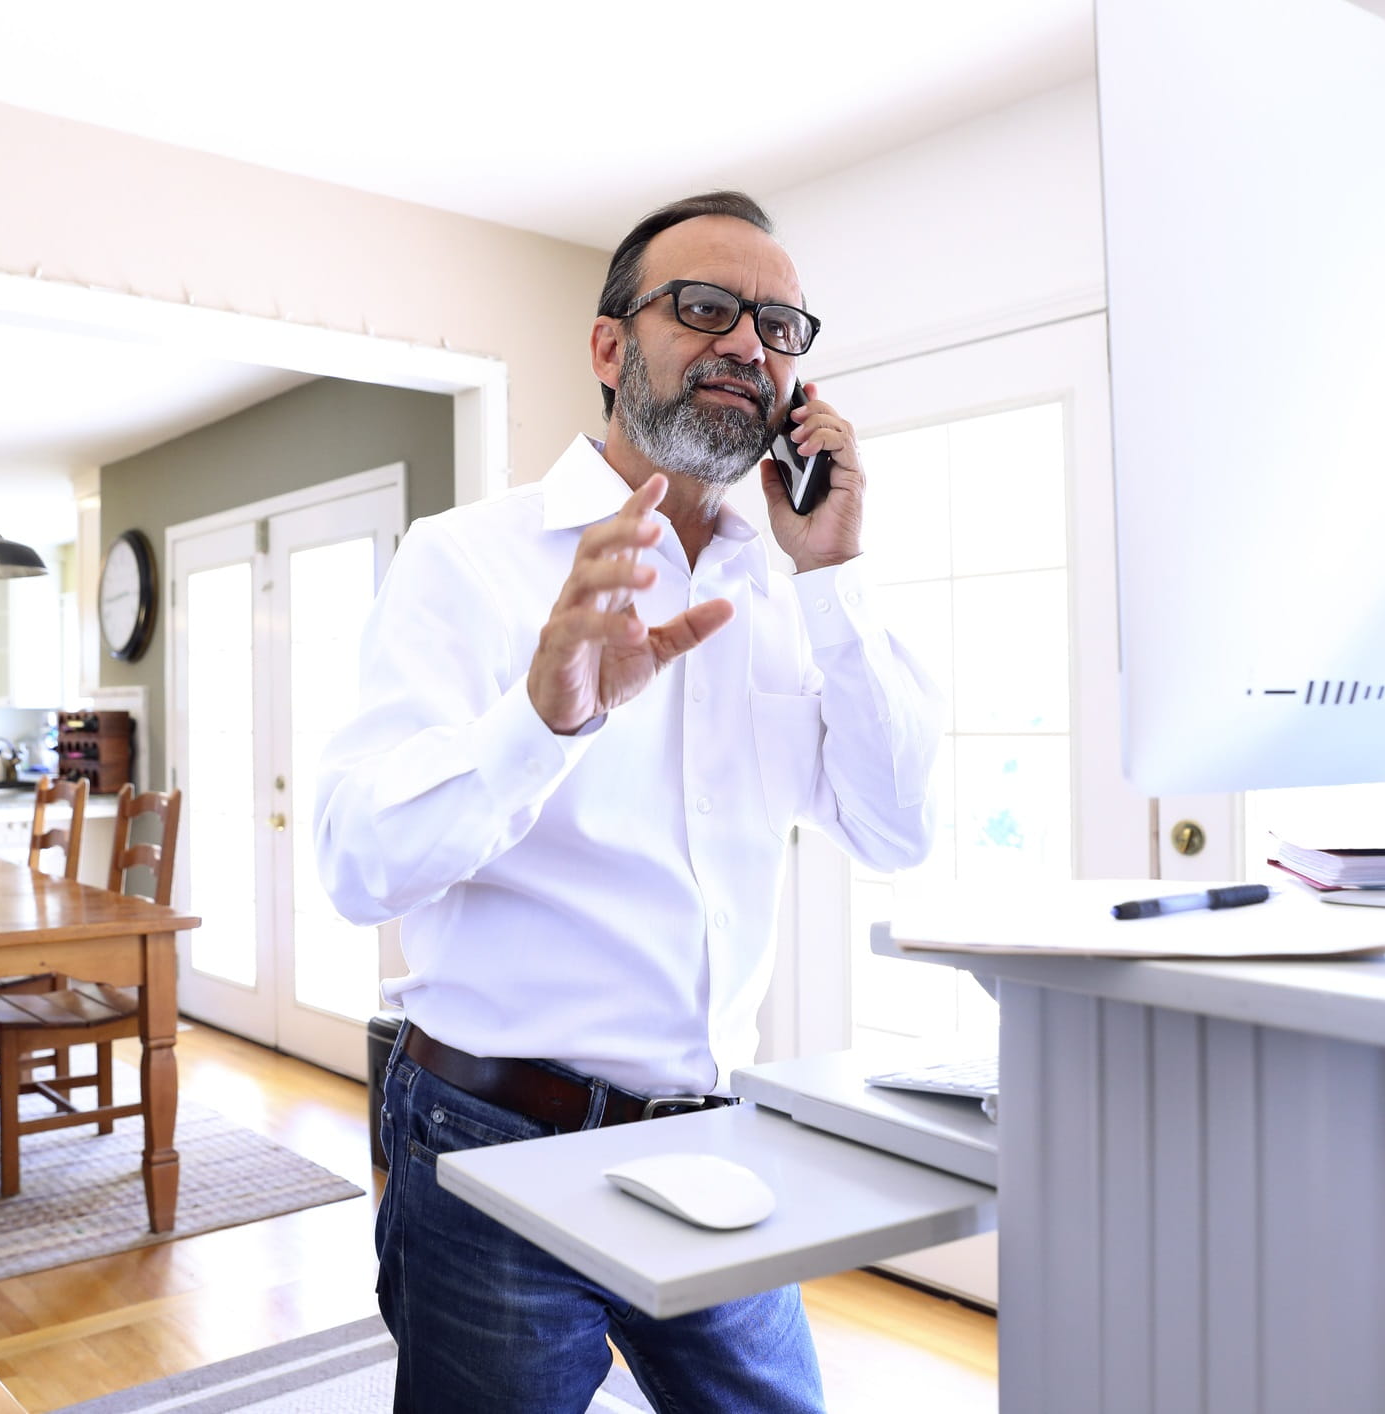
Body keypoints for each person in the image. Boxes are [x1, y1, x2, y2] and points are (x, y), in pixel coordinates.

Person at [314, 190, 941, 1413]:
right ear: (611, 349)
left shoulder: (793, 583)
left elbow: (896, 826)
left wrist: (837, 578)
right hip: (491, 1143)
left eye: (776, 325)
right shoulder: (466, 560)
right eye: (704, 308)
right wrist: (539, 722)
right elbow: (356, 865)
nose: (747, 346)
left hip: (717, 1146)